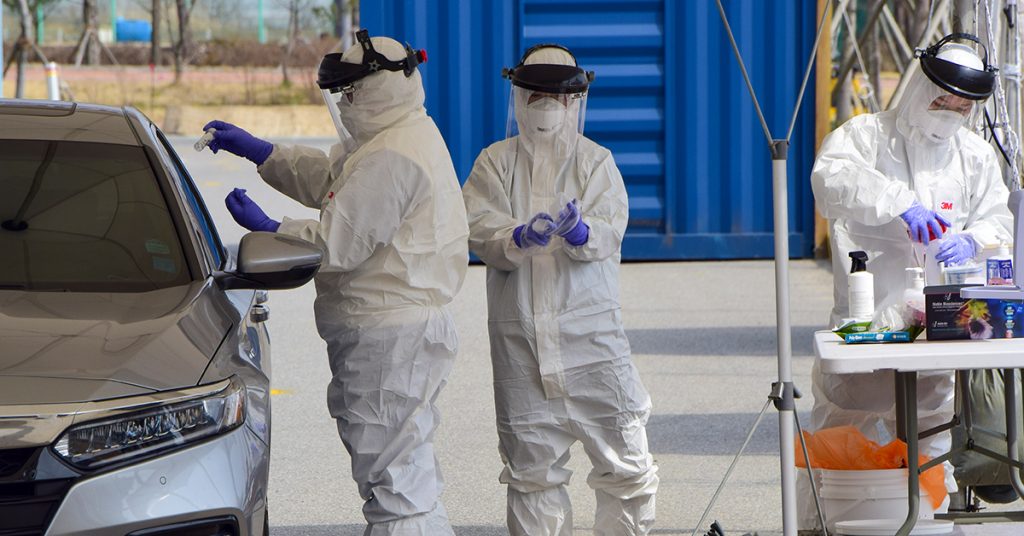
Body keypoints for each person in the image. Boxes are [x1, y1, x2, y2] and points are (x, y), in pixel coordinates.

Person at [204, 30, 469, 535]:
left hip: (389, 335)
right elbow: (334, 180)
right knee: (406, 476)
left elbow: (336, 242)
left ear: (381, 86)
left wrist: (272, 229)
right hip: (396, 333)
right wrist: (263, 153)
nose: (345, 103)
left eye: (352, 91)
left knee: (395, 485)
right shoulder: (395, 135)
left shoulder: (395, 155)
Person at [461, 44, 659, 535]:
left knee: (626, 465)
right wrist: (515, 236)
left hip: (591, 343)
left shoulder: (595, 161)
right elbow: (476, 224)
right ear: (518, 96)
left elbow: (611, 226)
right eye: (536, 94)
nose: (547, 104)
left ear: (576, 100)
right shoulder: (495, 162)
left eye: (558, 95)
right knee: (531, 475)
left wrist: (582, 233)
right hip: (521, 350)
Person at [809, 34, 1012, 509]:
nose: (949, 113)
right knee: (839, 445)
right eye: (942, 101)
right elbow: (830, 180)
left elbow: (1000, 218)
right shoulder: (865, 137)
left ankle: (926, 524)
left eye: (962, 108)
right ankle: (828, 523)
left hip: (937, 332)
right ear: (921, 87)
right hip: (866, 328)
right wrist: (899, 203)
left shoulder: (974, 155)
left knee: (931, 448)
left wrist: (973, 238)